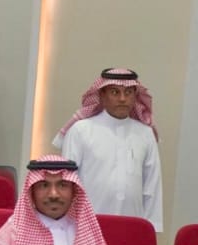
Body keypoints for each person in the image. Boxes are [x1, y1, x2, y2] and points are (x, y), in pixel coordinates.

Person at [54, 68, 163, 232]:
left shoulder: (145, 134)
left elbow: (152, 185)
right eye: (115, 92)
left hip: (132, 225)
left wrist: (151, 228)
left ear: (135, 96)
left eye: (128, 92)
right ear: (102, 95)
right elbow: (68, 182)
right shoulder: (81, 130)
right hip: (87, 226)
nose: (122, 98)